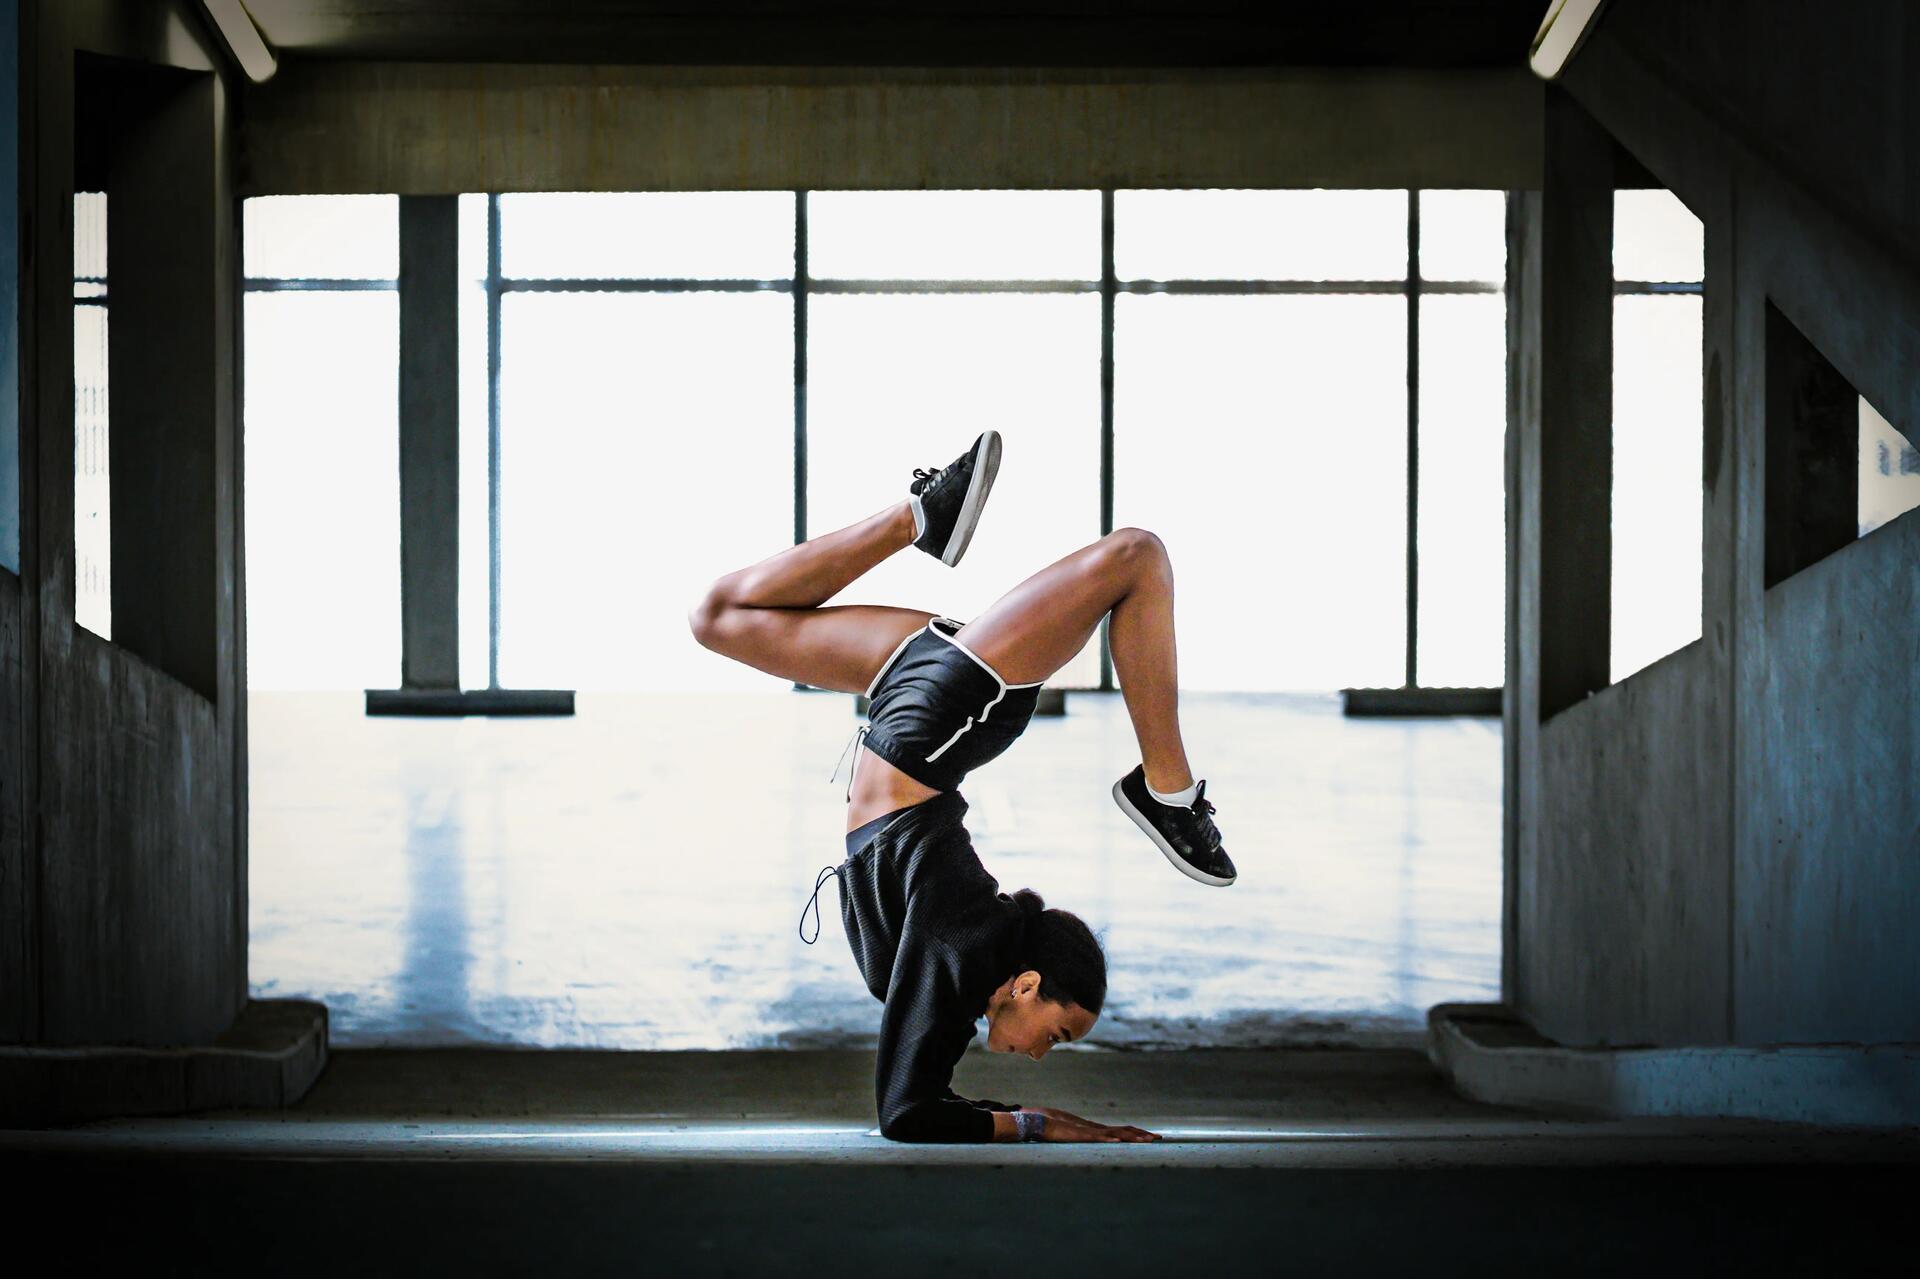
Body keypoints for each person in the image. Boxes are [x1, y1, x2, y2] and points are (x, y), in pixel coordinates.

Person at [689, 430, 1235, 1144]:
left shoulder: (955, 982)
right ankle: (1168, 792)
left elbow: (926, 1103)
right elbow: (908, 1116)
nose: (1041, 1055)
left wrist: (1057, 1121)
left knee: (717, 618)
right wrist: (1045, 1126)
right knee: (1137, 556)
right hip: (944, 719)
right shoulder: (965, 938)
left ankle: (920, 517)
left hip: (905, 707)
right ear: (1027, 985)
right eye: (1058, 1033)